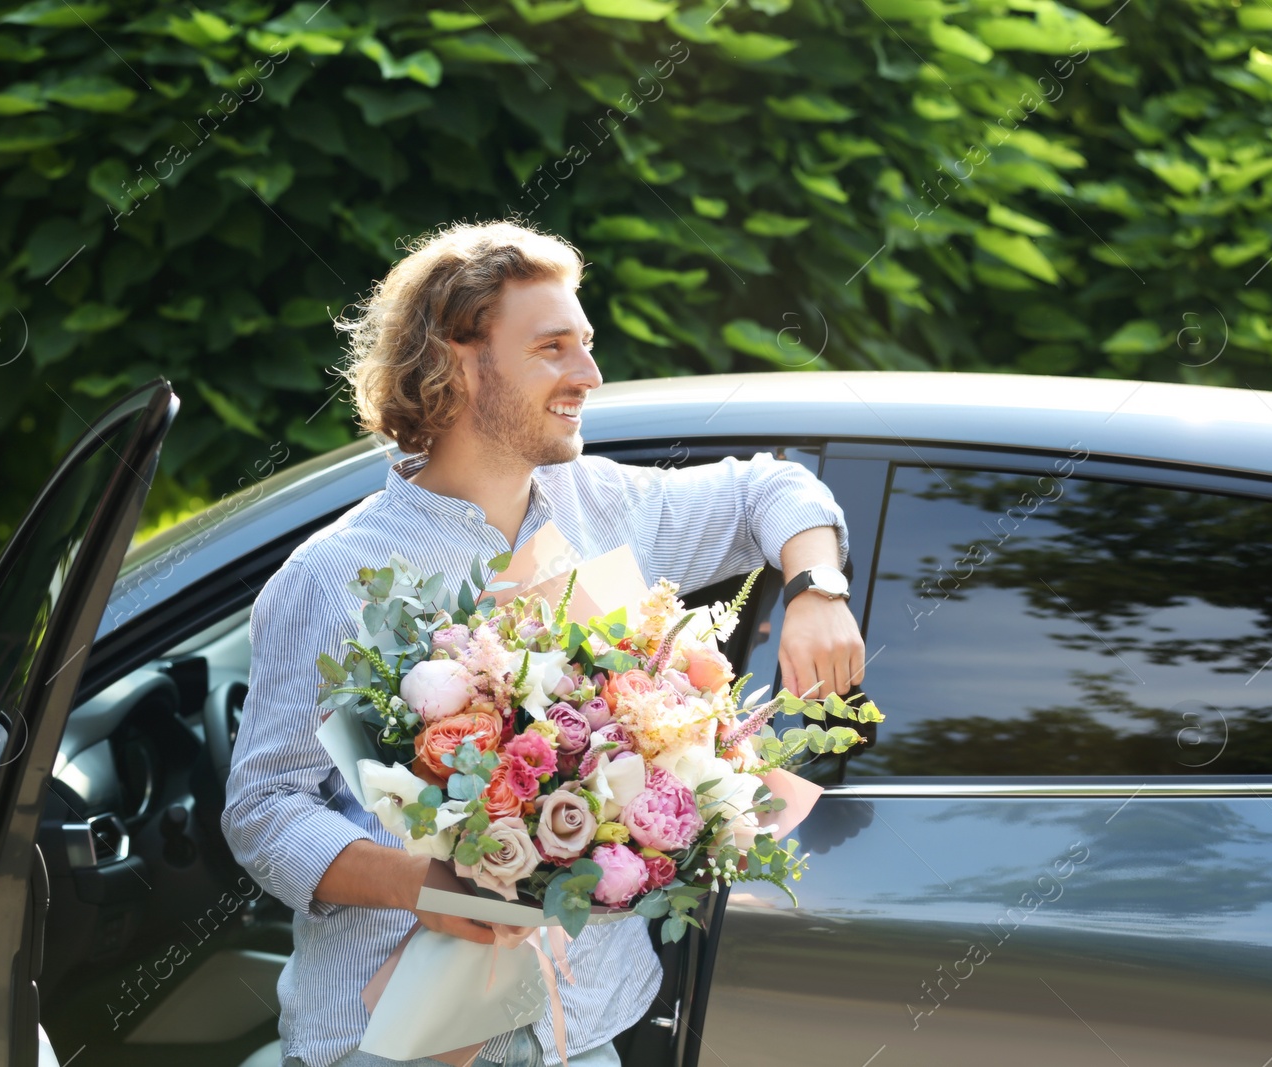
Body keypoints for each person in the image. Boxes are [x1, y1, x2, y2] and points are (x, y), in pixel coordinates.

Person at [221, 220, 866, 1067]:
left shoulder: (604, 504)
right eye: (555, 348)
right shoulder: (333, 574)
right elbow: (264, 809)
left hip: (578, 1031)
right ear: (460, 360)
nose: (589, 375)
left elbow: (770, 488)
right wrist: (427, 886)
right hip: (391, 1038)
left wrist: (815, 587)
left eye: (586, 344)